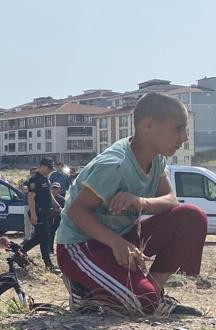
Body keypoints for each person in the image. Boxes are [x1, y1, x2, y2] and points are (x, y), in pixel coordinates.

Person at [56, 92, 206, 315]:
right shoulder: (115, 165)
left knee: (192, 217)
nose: (184, 137)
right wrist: (115, 242)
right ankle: (84, 290)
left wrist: (140, 201)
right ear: (148, 125)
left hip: (121, 239)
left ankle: (154, 294)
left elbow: (171, 200)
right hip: (81, 245)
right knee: (142, 303)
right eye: (178, 128)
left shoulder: (156, 158)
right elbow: (76, 212)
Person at [21, 157, 62, 273]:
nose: (50, 171)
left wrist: (56, 204)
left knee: (42, 238)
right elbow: (31, 198)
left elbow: (49, 194)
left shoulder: (45, 179)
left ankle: (47, 264)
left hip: (46, 213)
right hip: (38, 213)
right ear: (43, 166)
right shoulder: (34, 180)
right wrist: (33, 215)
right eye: (49, 168)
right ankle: (47, 264)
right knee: (43, 237)